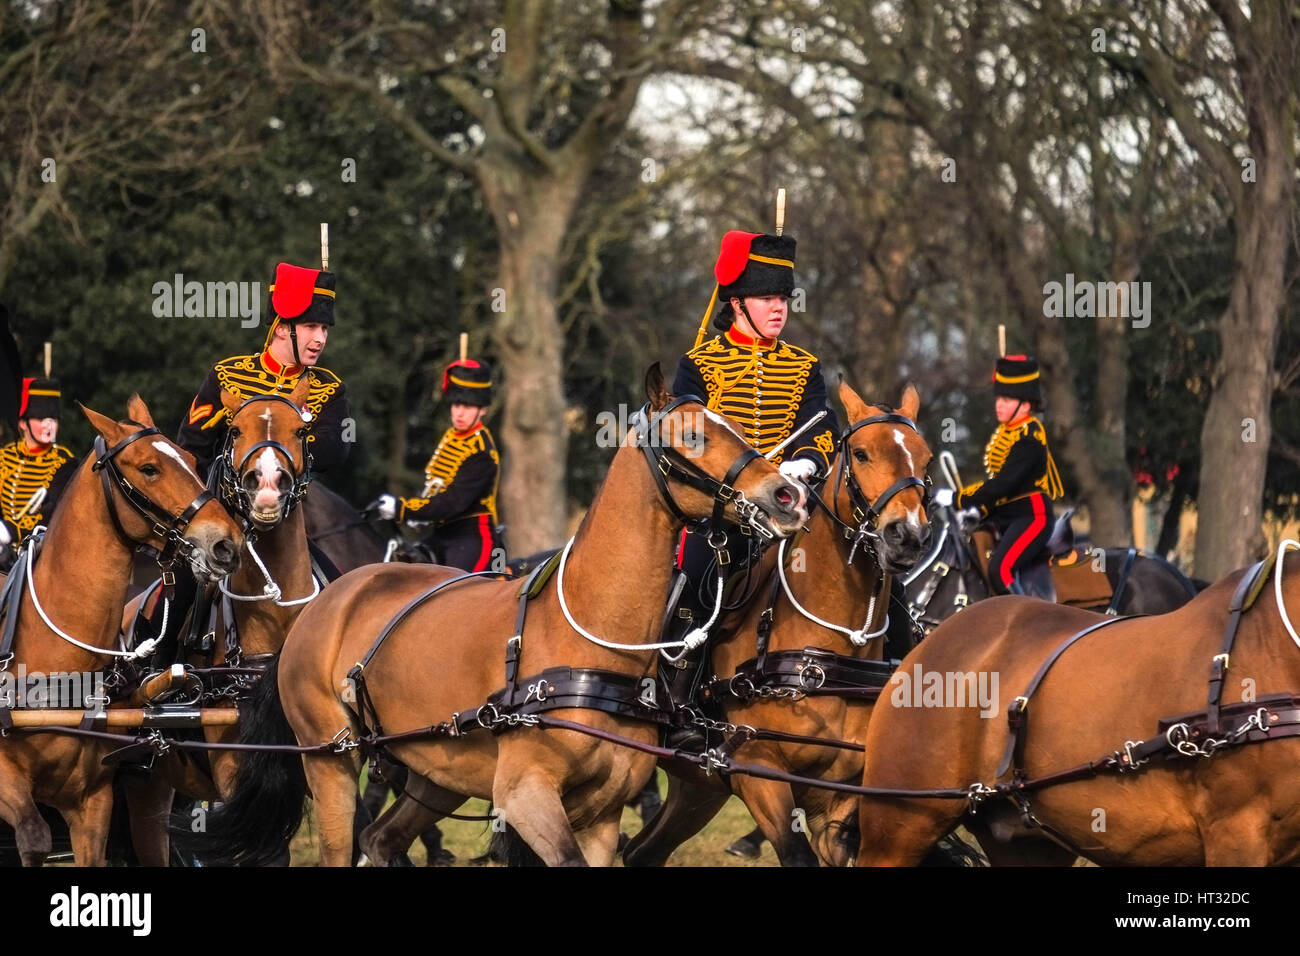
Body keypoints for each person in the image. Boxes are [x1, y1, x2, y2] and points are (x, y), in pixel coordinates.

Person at [137, 261, 351, 660]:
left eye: (324, 329)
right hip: (227, 517)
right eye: (310, 327)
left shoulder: (326, 387)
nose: (320, 339)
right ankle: (154, 667)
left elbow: (336, 450)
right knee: (180, 585)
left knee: (341, 590)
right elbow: (192, 449)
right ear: (283, 327)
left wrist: (288, 438)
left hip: (289, 526)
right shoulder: (229, 377)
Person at [933, 354, 1063, 596]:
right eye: (998, 398)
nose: (998, 404)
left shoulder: (1029, 438)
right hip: (1008, 516)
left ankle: (1024, 623)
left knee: (1000, 569)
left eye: (1006, 399)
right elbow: (999, 489)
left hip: (1032, 517)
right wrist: (978, 510)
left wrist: (958, 498)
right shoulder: (1008, 432)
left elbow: (1003, 486)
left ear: (1025, 405)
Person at [372, 358, 501, 571]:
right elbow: (436, 486)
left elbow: (451, 502)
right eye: (456, 405)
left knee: (454, 593)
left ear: (483, 410)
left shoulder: (481, 452)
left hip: (470, 538)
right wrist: (423, 515)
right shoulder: (452, 435)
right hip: (440, 533)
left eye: (467, 406)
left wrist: (404, 509)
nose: (459, 413)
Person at [0, 377, 77, 564]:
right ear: (23, 423)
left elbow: (53, 511)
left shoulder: (66, 464)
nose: (48, 425)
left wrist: (11, 530)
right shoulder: (4, 458)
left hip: (40, 554)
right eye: (41, 419)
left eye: (53, 419)